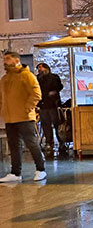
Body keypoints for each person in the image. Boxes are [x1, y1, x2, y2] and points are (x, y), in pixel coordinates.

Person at [0, 52, 46, 182]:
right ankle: (15, 173)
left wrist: (27, 108)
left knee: (31, 143)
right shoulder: (5, 79)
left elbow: (36, 94)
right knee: (14, 145)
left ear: (16, 60)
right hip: (10, 118)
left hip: (25, 117)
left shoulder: (27, 76)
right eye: (4, 59)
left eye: (8, 59)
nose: (5, 61)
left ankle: (41, 169)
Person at [36, 63, 66, 153]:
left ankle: (61, 142)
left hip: (53, 104)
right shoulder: (37, 79)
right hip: (43, 105)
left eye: (41, 68)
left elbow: (60, 86)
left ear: (46, 68)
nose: (39, 70)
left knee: (57, 124)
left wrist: (54, 92)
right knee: (46, 125)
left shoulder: (54, 77)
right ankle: (49, 142)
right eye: (38, 68)